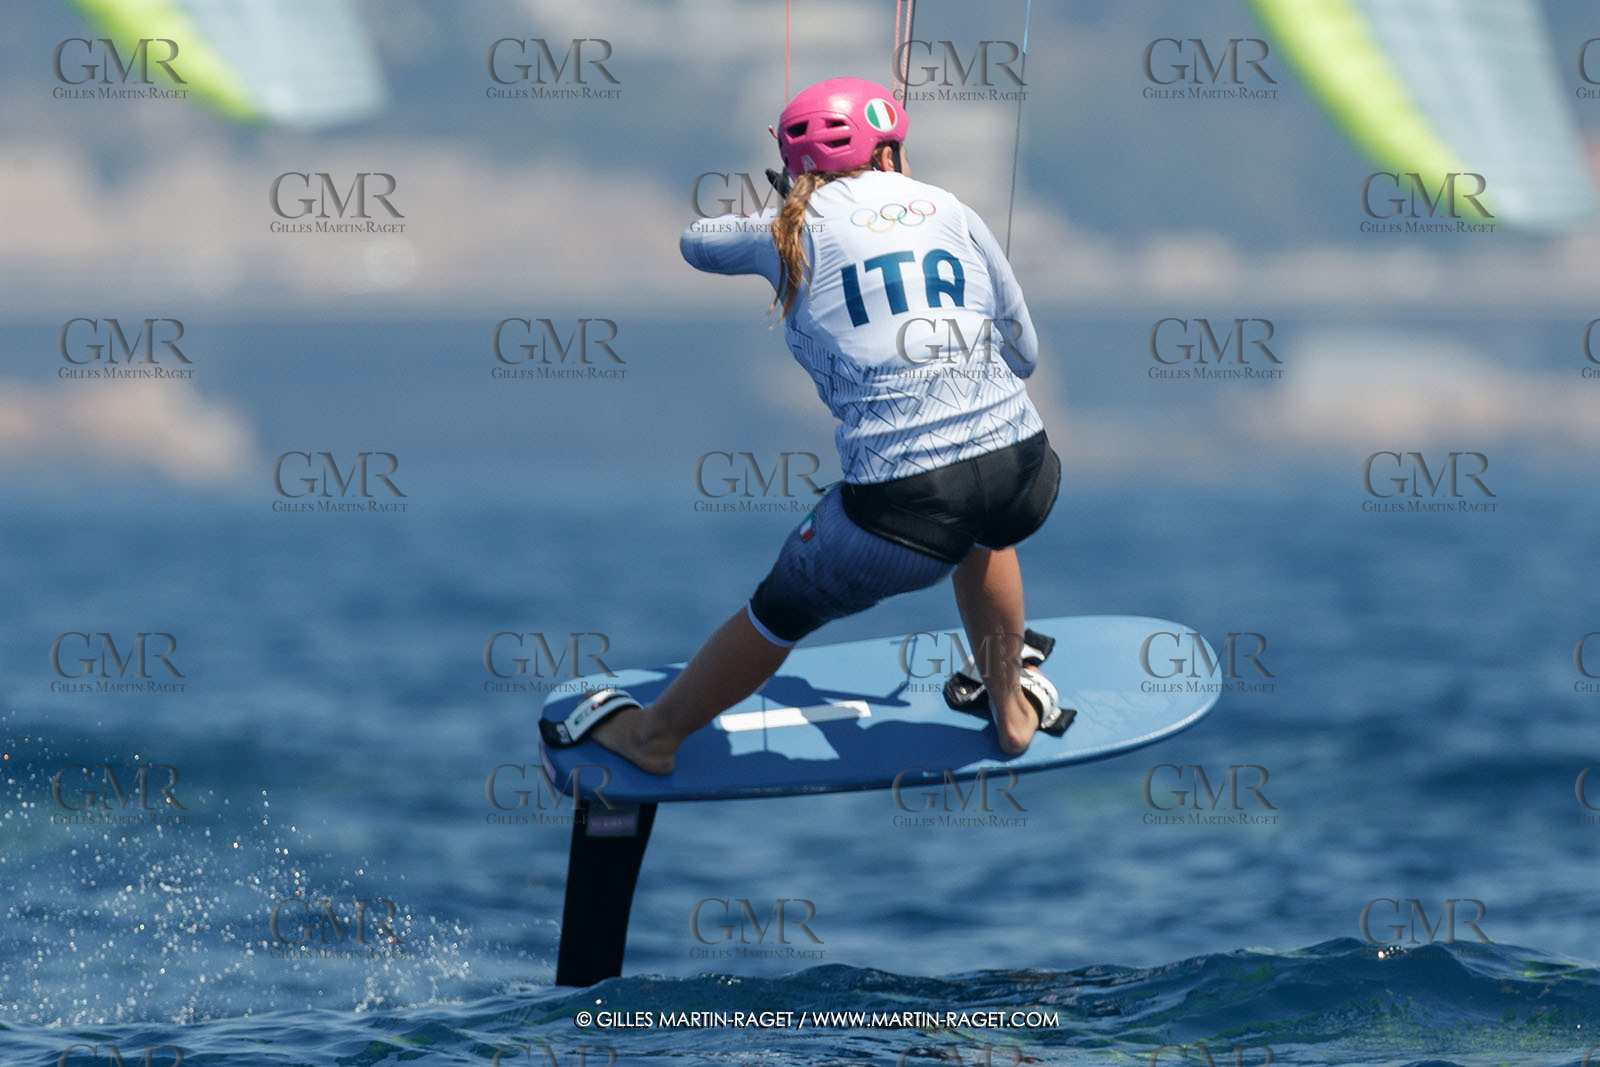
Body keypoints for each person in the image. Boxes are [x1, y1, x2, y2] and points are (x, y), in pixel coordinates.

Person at [541, 77, 1063, 774]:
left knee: (779, 610)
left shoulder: (783, 230)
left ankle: (652, 738)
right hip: (1026, 470)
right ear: (889, 154)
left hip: (903, 511)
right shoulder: (952, 208)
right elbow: (1025, 355)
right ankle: (1012, 712)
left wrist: (785, 207)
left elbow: (695, 242)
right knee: (983, 527)